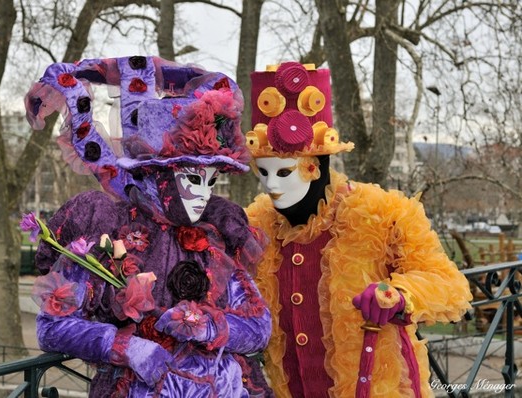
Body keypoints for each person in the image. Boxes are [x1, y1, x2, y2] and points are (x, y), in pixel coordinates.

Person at [24, 56, 272, 397]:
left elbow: (259, 326)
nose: (204, 195)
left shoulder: (213, 235)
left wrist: (207, 325)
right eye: (193, 179)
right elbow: (52, 327)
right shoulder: (108, 232)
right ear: (159, 173)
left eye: (211, 181)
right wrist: (126, 348)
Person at [244, 62, 472, 397]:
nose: (271, 185)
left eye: (284, 172)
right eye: (263, 172)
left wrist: (401, 296)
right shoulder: (255, 225)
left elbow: (446, 282)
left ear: (316, 167)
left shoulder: (382, 213)